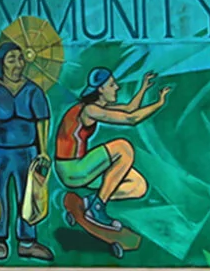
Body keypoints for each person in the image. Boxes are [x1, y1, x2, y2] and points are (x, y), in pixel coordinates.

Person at [52, 66, 173, 239]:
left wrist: (144, 88)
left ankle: (90, 202)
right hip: (72, 169)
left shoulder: (98, 107)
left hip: (86, 169)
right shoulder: (89, 110)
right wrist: (159, 104)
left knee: (138, 186)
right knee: (123, 148)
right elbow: (131, 119)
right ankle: (97, 208)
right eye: (111, 84)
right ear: (100, 89)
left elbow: (130, 109)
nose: (116, 87)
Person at [0, 41, 52, 263]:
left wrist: (44, 151)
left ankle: (27, 242)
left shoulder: (33, 90)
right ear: (1, 63)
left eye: (21, 59)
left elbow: (42, 121)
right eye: (12, 59)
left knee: (28, 196)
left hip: (27, 153)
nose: (18, 64)